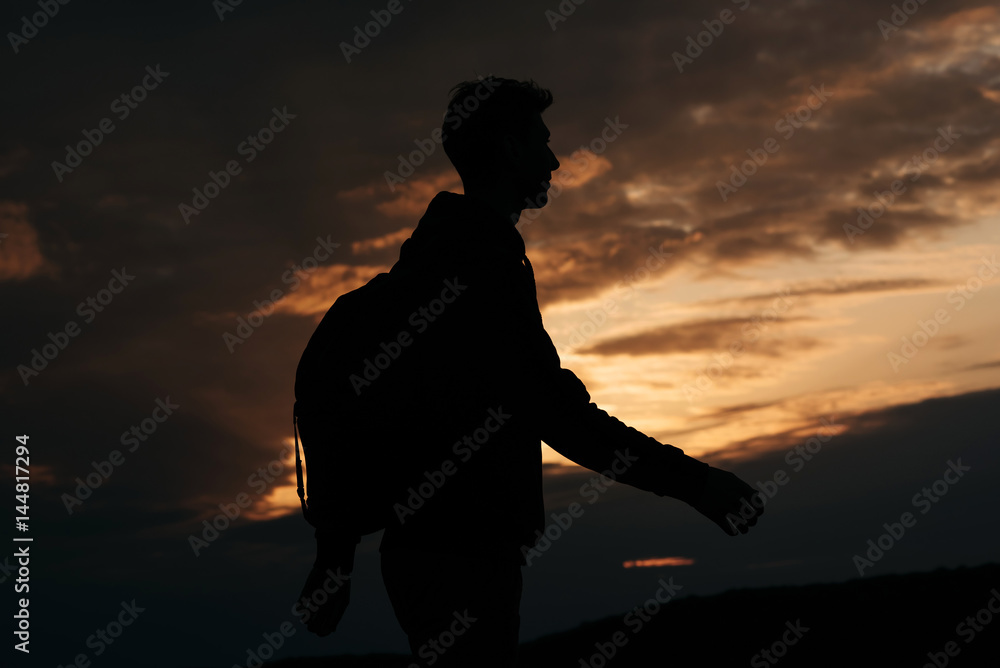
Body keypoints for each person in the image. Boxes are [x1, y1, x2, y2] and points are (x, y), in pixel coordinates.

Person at [294, 76, 764, 666]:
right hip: (462, 553)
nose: (556, 159)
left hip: (430, 552)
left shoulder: (439, 263)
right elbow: (555, 413)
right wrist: (695, 484)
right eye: (541, 141)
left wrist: (334, 556)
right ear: (509, 148)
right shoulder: (479, 268)